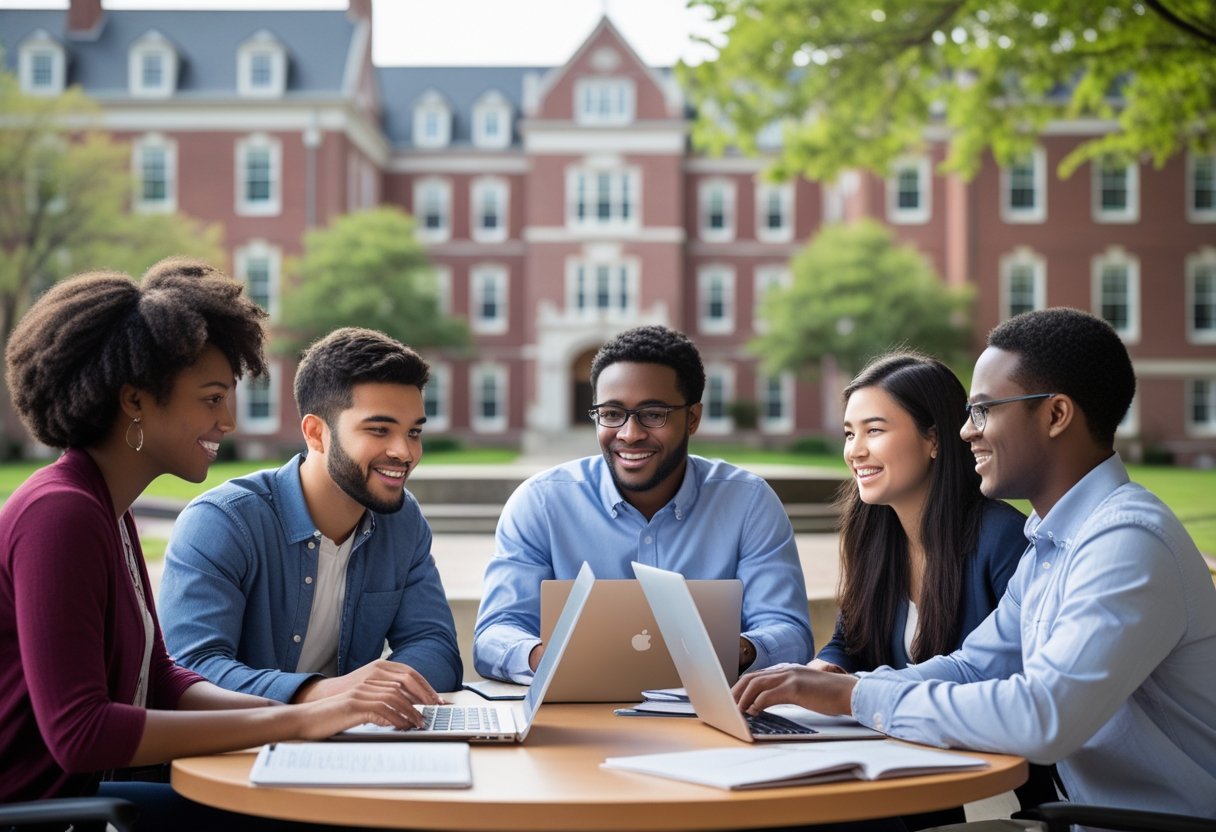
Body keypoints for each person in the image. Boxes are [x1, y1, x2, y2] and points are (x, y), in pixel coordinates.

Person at [733, 308, 1216, 822]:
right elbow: (972, 666)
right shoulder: (1052, 544)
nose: (966, 431)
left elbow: (1043, 716)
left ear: (1056, 415)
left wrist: (857, 696)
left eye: (985, 410)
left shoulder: (1125, 542)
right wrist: (826, 688)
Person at [0, 260, 421, 827]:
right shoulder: (61, 514)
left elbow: (164, 679)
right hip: (46, 814)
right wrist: (297, 721)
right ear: (135, 401)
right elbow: (82, 733)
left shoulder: (106, 509)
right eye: (212, 397)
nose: (227, 420)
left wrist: (327, 718)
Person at [474, 324, 813, 683]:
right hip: (577, 719)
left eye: (653, 414)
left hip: (711, 718)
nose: (630, 433)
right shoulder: (540, 503)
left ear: (693, 418)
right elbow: (495, 634)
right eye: (611, 413)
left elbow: (790, 633)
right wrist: (549, 658)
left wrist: (738, 648)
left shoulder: (749, 503)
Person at [815, 351, 1054, 829]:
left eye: (875, 430)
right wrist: (821, 671)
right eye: (849, 433)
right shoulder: (871, 531)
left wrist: (851, 691)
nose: (855, 451)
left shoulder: (1000, 538)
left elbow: (1007, 679)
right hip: (901, 756)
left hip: (990, 773)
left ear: (934, 440)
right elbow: (850, 643)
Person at [160, 327, 461, 705]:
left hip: (355, 748)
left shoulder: (402, 520)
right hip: (241, 753)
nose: (404, 452)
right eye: (379, 429)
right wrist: (328, 695)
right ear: (316, 433)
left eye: (413, 432)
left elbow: (436, 648)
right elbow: (193, 670)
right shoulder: (222, 523)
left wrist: (379, 691)